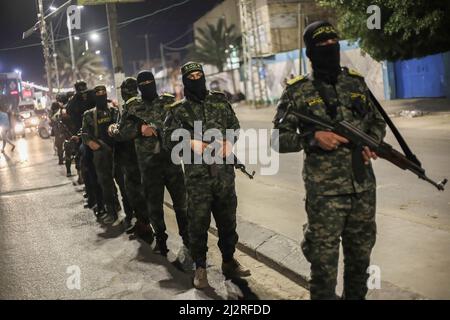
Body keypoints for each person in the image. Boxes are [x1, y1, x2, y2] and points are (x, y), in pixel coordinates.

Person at [272, 21, 387, 300]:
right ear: (310, 51)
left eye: (333, 43)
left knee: (360, 262)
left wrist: (370, 142)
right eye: (322, 45)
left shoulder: (356, 83)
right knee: (323, 266)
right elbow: (278, 140)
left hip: (362, 188)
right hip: (324, 194)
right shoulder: (297, 91)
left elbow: (377, 122)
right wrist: (312, 139)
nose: (329, 49)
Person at [164, 62, 250, 289]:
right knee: (198, 224)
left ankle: (229, 261)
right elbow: (166, 139)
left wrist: (228, 142)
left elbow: (235, 126)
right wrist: (188, 141)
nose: (195, 78)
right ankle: (200, 267)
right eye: (190, 76)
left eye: (198, 74)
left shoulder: (219, 101)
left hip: (224, 176)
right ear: (185, 81)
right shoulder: (177, 110)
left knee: (228, 222)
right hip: (197, 180)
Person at [107, 77, 155, 242]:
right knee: (136, 193)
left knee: (136, 193)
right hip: (134, 157)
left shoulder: (131, 107)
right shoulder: (139, 105)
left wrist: (112, 129)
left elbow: (123, 133)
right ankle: (143, 223)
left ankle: (146, 227)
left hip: (132, 158)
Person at [82, 85, 123, 225]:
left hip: (116, 151)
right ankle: (111, 211)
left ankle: (129, 213)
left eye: (103, 92)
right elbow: (85, 134)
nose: (101, 95)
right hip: (100, 153)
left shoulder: (114, 111)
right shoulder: (89, 114)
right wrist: (92, 144)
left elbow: (121, 127)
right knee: (105, 184)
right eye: (98, 93)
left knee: (122, 183)